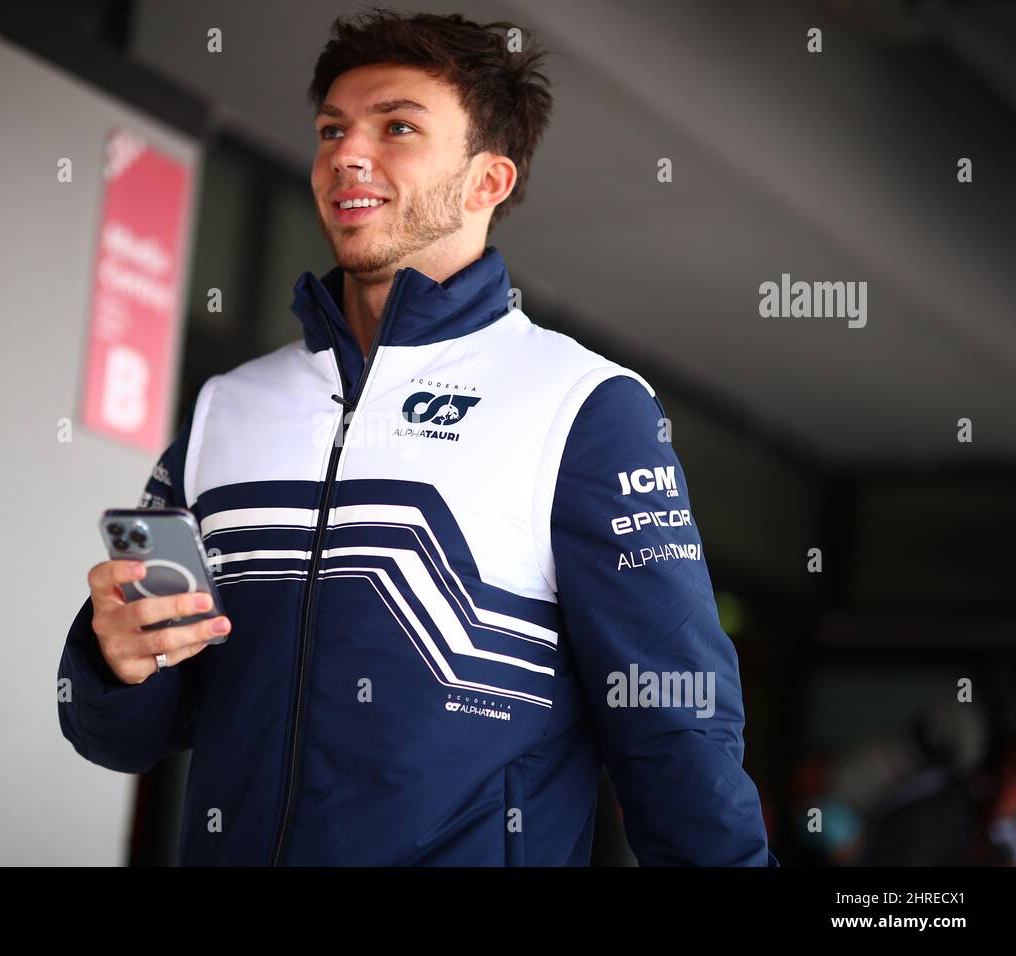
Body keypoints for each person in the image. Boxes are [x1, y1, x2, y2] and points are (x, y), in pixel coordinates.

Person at [58, 7, 776, 866]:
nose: (345, 154)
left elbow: (675, 729)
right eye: (332, 129)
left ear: (488, 182)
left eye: (397, 126)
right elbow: (130, 735)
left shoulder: (586, 406)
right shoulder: (227, 407)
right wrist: (112, 663)